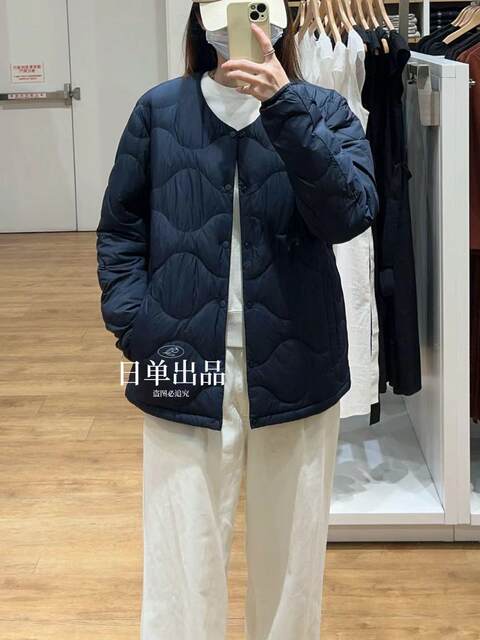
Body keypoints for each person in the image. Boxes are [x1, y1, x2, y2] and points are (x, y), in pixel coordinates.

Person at [96, 1, 378, 638]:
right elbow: (120, 230)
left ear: (283, 19)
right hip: (179, 361)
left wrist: (285, 107)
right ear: (202, 19)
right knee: (181, 562)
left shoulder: (321, 109)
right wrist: (138, 327)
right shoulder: (159, 110)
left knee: (291, 568)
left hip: (297, 358)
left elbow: (350, 214)